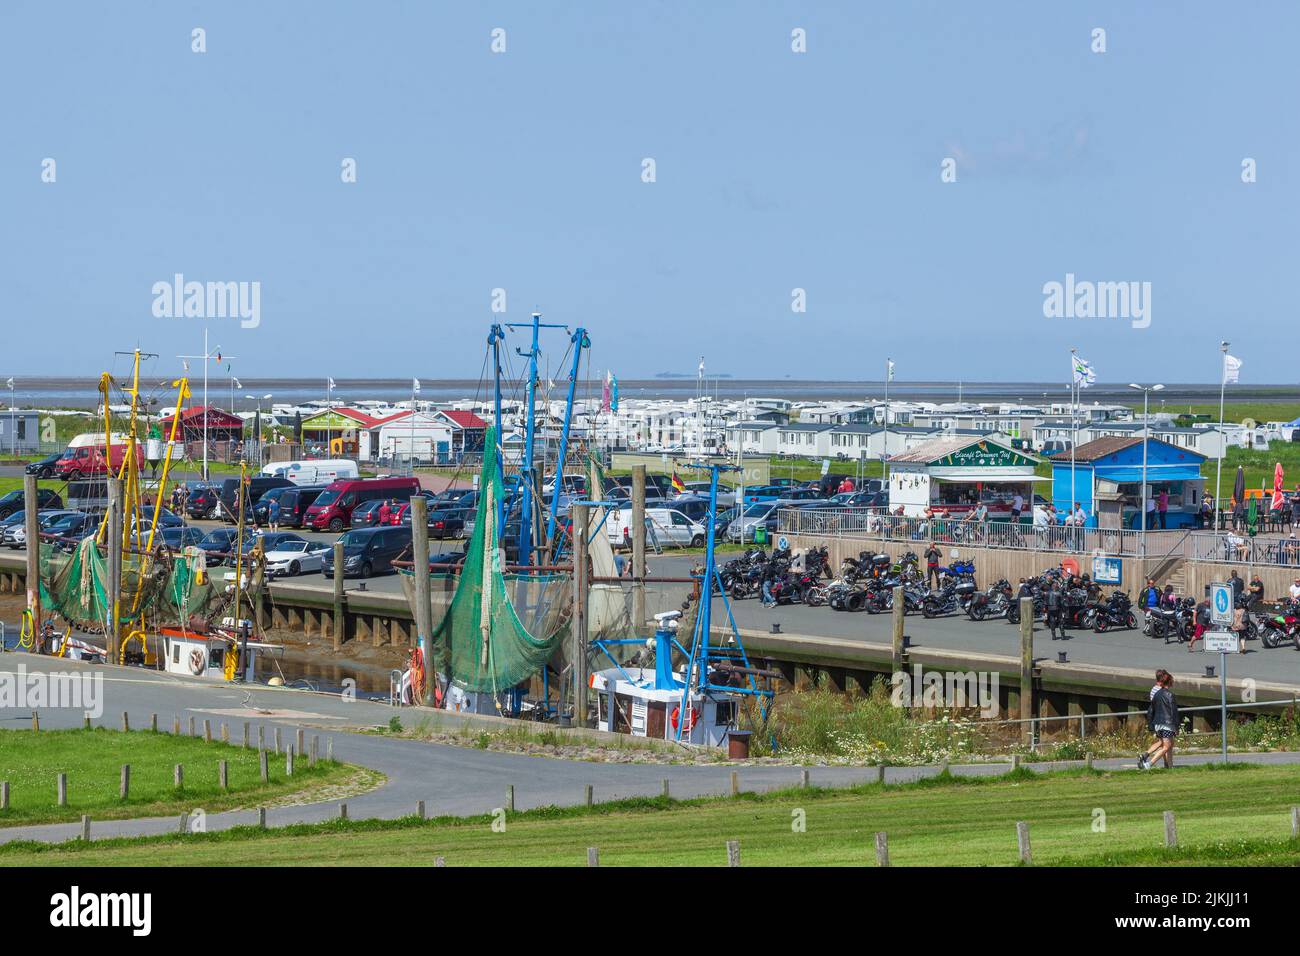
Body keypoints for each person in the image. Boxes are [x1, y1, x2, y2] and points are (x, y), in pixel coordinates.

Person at [1139, 671, 1178, 769]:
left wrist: (1152, 723)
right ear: (1169, 682)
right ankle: (1148, 765)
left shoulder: (1157, 694)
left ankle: (1170, 766)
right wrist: (1176, 727)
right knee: (1166, 747)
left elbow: (1152, 709)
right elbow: (1174, 712)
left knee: (1169, 744)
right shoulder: (1170, 695)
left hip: (1158, 724)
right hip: (1167, 724)